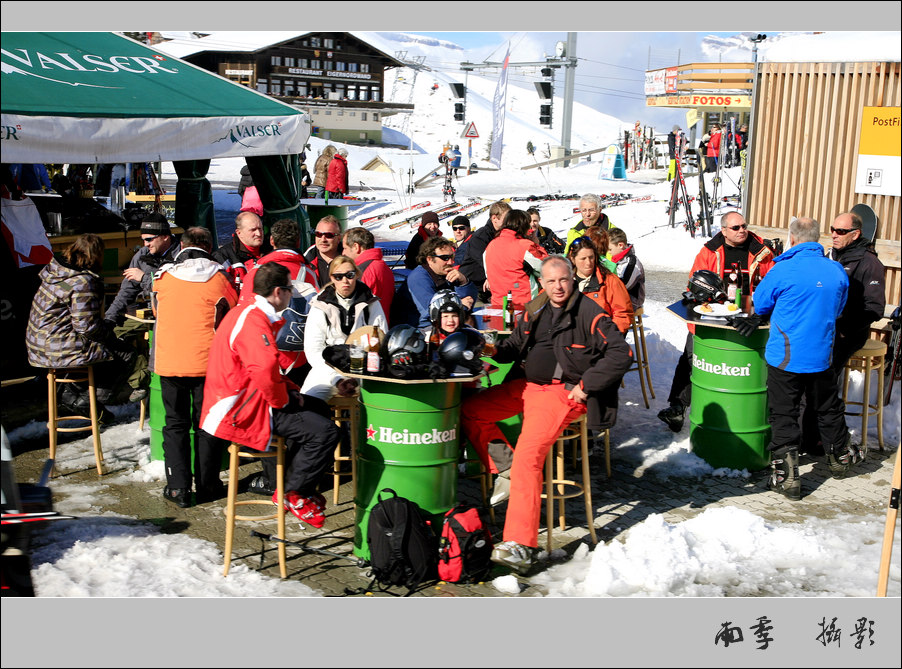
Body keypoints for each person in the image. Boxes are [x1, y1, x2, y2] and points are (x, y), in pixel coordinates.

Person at [461, 256, 632, 573]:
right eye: (551, 281)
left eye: (563, 280)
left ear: (572, 279)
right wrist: (491, 349)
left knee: (529, 455)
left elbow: (621, 352)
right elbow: (514, 345)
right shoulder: (536, 308)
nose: (557, 286)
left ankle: (521, 545)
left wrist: (586, 385)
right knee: (470, 410)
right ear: (542, 282)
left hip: (562, 392)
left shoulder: (589, 312)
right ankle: (507, 470)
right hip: (528, 386)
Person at [200, 263, 340, 529]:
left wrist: (288, 390)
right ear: (278, 292)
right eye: (290, 289)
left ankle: (294, 485)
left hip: (245, 397)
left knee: (318, 408)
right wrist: (284, 400)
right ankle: (293, 492)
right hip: (237, 408)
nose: (292, 295)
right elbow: (263, 369)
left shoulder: (250, 312)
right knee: (325, 433)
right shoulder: (253, 320)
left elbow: (263, 369)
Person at [753, 217, 861, 500]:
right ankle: (839, 459)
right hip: (822, 354)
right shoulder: (836, 270)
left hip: (785, 357)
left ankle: (787, 476)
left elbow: (761, 303)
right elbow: (838, 309)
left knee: (784, 412)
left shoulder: (782, 269)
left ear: (792, 238)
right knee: (827, 406)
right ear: (817, 238)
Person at [657, 212, 775, 431]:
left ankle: (759, 412)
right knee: (692, 356)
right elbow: (694, 284)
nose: (742, 230)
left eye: (744, 226)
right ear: (723, 231)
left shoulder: (762, 251)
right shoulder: (709, 252)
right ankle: (677, 408)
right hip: (714, 314)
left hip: (751, 317)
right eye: (736, 227)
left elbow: (773, 281)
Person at [150, 227, 238, 508]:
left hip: (170, 361)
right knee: (206, 426)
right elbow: (231, 311)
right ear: (209, 246)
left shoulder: (162, 277)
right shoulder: (220, 278)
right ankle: (207, 485)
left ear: (182, 245)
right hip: (206, 363)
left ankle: (178, 489)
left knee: (175, 424)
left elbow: (155, 309)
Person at [801, 211, 886, 454]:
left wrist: (844, 330)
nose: (833, 235)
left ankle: (816, 440)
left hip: (847, 334)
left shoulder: (869, 263)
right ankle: (804, 435)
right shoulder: (832, 255)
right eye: (832, 229)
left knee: (820, 379)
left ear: (856, 234)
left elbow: (875, 309)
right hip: (825, 330)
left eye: (840, 231)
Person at [26, 233, 132, 415]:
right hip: (57, 347)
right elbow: (86, 327)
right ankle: (86, 402)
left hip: (38, 345)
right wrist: (108, 329)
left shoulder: (56, 272)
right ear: (97, 256)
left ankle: (72, 393)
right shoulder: (82, 281)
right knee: (124, 354)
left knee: (100, 350)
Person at [105, 213, 181, 402]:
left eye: (149, 239)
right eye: (143, 240)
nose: (145, 244)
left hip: (176, 320)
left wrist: (145, 278)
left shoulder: (182, 254)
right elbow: (126, 291)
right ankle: (140, 379)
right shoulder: (142, 256)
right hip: (149, 315)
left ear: (165, 236)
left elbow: (179, 290)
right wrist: (108, 319)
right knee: (110, 333)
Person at [300, 256, 388, 401]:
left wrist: (360, 373)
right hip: (328, 368)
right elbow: (313, 350)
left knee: (382, 400)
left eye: (350, 275)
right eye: (338, 276)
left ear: (357, 275)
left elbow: (381, 339)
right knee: (308, 399)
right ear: (332, 278)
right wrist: (337, 379)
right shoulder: (320, 304)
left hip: (364, 369)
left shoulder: (370, 302)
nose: (345, 281)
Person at [392, 236, 473, 328]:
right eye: (445, 258)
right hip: (416, 330)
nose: (451, 262)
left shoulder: (444, 273)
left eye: (452, 257)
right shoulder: (418, 277)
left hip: (442, 325)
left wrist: (464, 282)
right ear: (429, 259)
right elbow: (431, 310)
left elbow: (469, 301)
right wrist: (459, 304)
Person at [567, 235, 633, 335]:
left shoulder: (610, 281)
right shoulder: (563, 282)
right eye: (583, 259)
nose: (588, 263)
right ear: (573, 259)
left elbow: (623, 314)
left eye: (591, 257)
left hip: (602, 338)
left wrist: (609, 336)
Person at [483, 209, 547, 311]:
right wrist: (537, 245)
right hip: (523, 305)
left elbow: (488, 273)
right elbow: (545, 267)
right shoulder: (524, 245)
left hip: (498, 305)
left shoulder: (490, 246)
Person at [458, 200, 512, 303]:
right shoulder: (481, 237)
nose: (509, 222)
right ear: (494, 218)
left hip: (490, 287)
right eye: (506, 219)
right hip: (472, 287)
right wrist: (491, 276)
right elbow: (485, 260)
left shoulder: (503, 235)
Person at [342, 226, 395, 318]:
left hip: (367, 327)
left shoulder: (362, 271)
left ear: (356, 247)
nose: (343, 253)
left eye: (345, 248)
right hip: (382, 323)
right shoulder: (382, 265)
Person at [213, 211, 270, 293]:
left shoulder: (271, 251)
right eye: (253, 230)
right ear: (239, 233)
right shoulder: (223, 257)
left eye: (260, 229)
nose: (258, 233)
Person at [608, 227, 646, 311]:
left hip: (632, 300)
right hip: (621, 297)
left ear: (620, 245)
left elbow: (624, 285)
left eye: (610, 249)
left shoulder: (632, 262)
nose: (608, 252)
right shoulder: (619, 260)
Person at [304, 214, 344, 285]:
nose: (323, 239)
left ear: (339, 238)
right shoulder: (306, 260)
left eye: (329, 235)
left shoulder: (348, 258)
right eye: (319, 234)